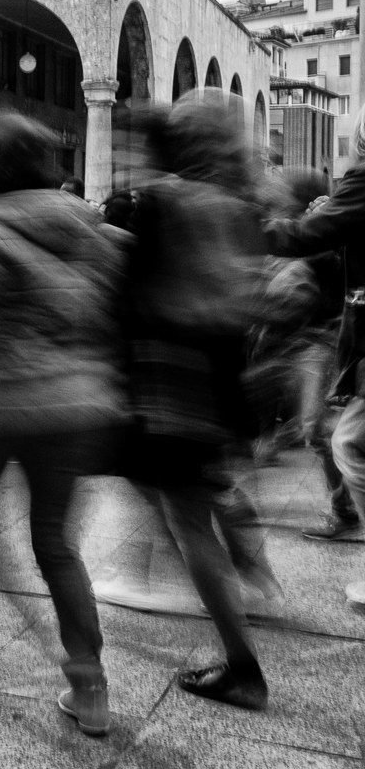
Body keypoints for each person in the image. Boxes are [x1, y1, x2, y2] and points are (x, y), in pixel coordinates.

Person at [0, 111, 129, 736]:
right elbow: (112, 299)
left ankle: (59, 656)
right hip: (85, 401)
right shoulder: (87, 220)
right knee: (55, 543)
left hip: (20, 403)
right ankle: (89, 680)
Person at [122, 97, 269, 709]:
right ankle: (242, 590)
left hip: (170, 380)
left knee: (187, 522)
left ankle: (244, 667)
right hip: (223, 381)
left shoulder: (163, 201)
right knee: (192, 509)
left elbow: (131, 291)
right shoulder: (241, 210)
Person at [267, 104, 365, 599]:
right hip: (324, 339)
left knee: (333, 436)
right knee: (329, 434)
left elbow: (311, 248)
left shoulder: (346, 203)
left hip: (326, 340)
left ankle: (343, 508)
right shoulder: (333, 214)